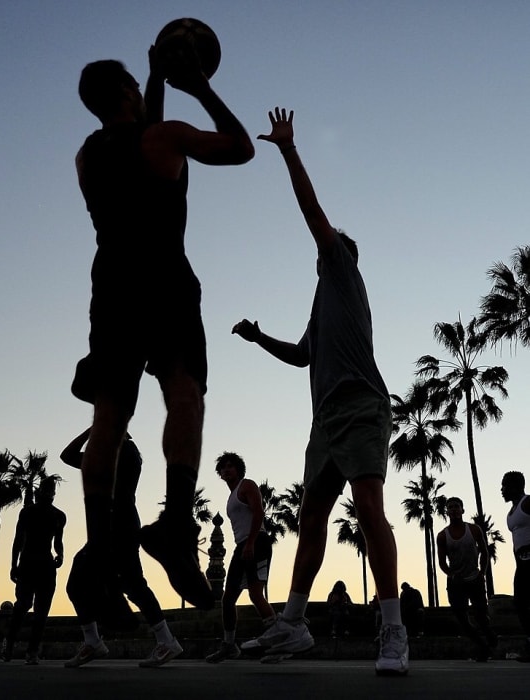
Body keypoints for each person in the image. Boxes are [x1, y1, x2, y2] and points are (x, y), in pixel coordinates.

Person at [73, 50, 253, 616]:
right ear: (127, 92)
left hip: (112, 285)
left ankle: (103, 551)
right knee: (185, 395)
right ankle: (176, 526)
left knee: (108, 420)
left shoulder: (86, 155)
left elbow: (136, 128)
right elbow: (241, 147)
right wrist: (199, 87)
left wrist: (150, 77)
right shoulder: (167, 136)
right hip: (166, 281)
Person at [232, 107, 408, 675]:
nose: (322, 248)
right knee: (311, 519)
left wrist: (287, 150)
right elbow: (298, 355)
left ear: (341, 253)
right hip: (325, 419)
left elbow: (312, 213)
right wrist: (258, 337)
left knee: (368, 507)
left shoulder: (342, 270)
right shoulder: (320, 307)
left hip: (361, 406)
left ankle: (393, 630)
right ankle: (294, 625)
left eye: (329, 244)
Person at [62, 428, 183, 668]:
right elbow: (67, 456)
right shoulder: (113, 453)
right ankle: (95, 641)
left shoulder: (123, 452)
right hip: (112, 528)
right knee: (90, 583)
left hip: (119, 528)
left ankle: (164, 641)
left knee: (130, 585)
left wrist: (95, 430)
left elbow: (71, 456)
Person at [206, 452, 276, 663]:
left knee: (255, 594)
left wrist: (252, 542)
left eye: (230, 466)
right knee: (228, 599)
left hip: (257, 542)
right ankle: (229, 645)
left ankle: (280, 640)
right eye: (223, 467)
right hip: (241, 546)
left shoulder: (247, 485)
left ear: (238, 469)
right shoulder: (231, 496)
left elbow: (259, 513)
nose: (226, 470)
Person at [1, 476, 66, 665]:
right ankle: (10, 642)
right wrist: (14, 564)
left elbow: (58, 541)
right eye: (46, 490)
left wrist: (60, 555)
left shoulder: (58, 516)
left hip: (45, 565)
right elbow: (18, 539)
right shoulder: (28, 513)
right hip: (28, 563)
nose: (48, 494)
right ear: (40, 492)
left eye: (51, 491)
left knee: (41, 610)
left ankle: (32, 650)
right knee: (23, 605)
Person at [436, 496, 496, 660]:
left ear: (462, 510)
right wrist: (451, 574)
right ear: (447, 512)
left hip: (474, 578)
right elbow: (441, 562)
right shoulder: (442, 536)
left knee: (481, 615)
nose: (454, 509)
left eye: (457, 506)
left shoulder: (474, 530)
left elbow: (484, 551)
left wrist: (482, 573)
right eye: (450, 507)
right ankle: (482, 646)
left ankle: (489, 639)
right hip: (456, 582)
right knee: (462, 618)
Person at [501, 470, 530, 662]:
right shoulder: (511, 512)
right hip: (521, 561)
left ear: (514, 486)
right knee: (520, 603)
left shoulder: (527, 502)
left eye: (504, 486)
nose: (501, 490)